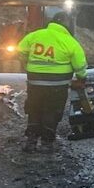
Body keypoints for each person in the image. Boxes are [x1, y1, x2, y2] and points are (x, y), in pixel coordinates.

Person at [17, 11, 87, 154]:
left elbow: (21, 50)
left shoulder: (35, 35)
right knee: (52, 112)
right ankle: (47, 144)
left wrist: (26, 63)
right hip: (58, 85)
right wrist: (81, 78)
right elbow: (80, 66)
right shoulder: (70, 42)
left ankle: (31, 141)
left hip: (35, 82)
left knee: (34, 109)